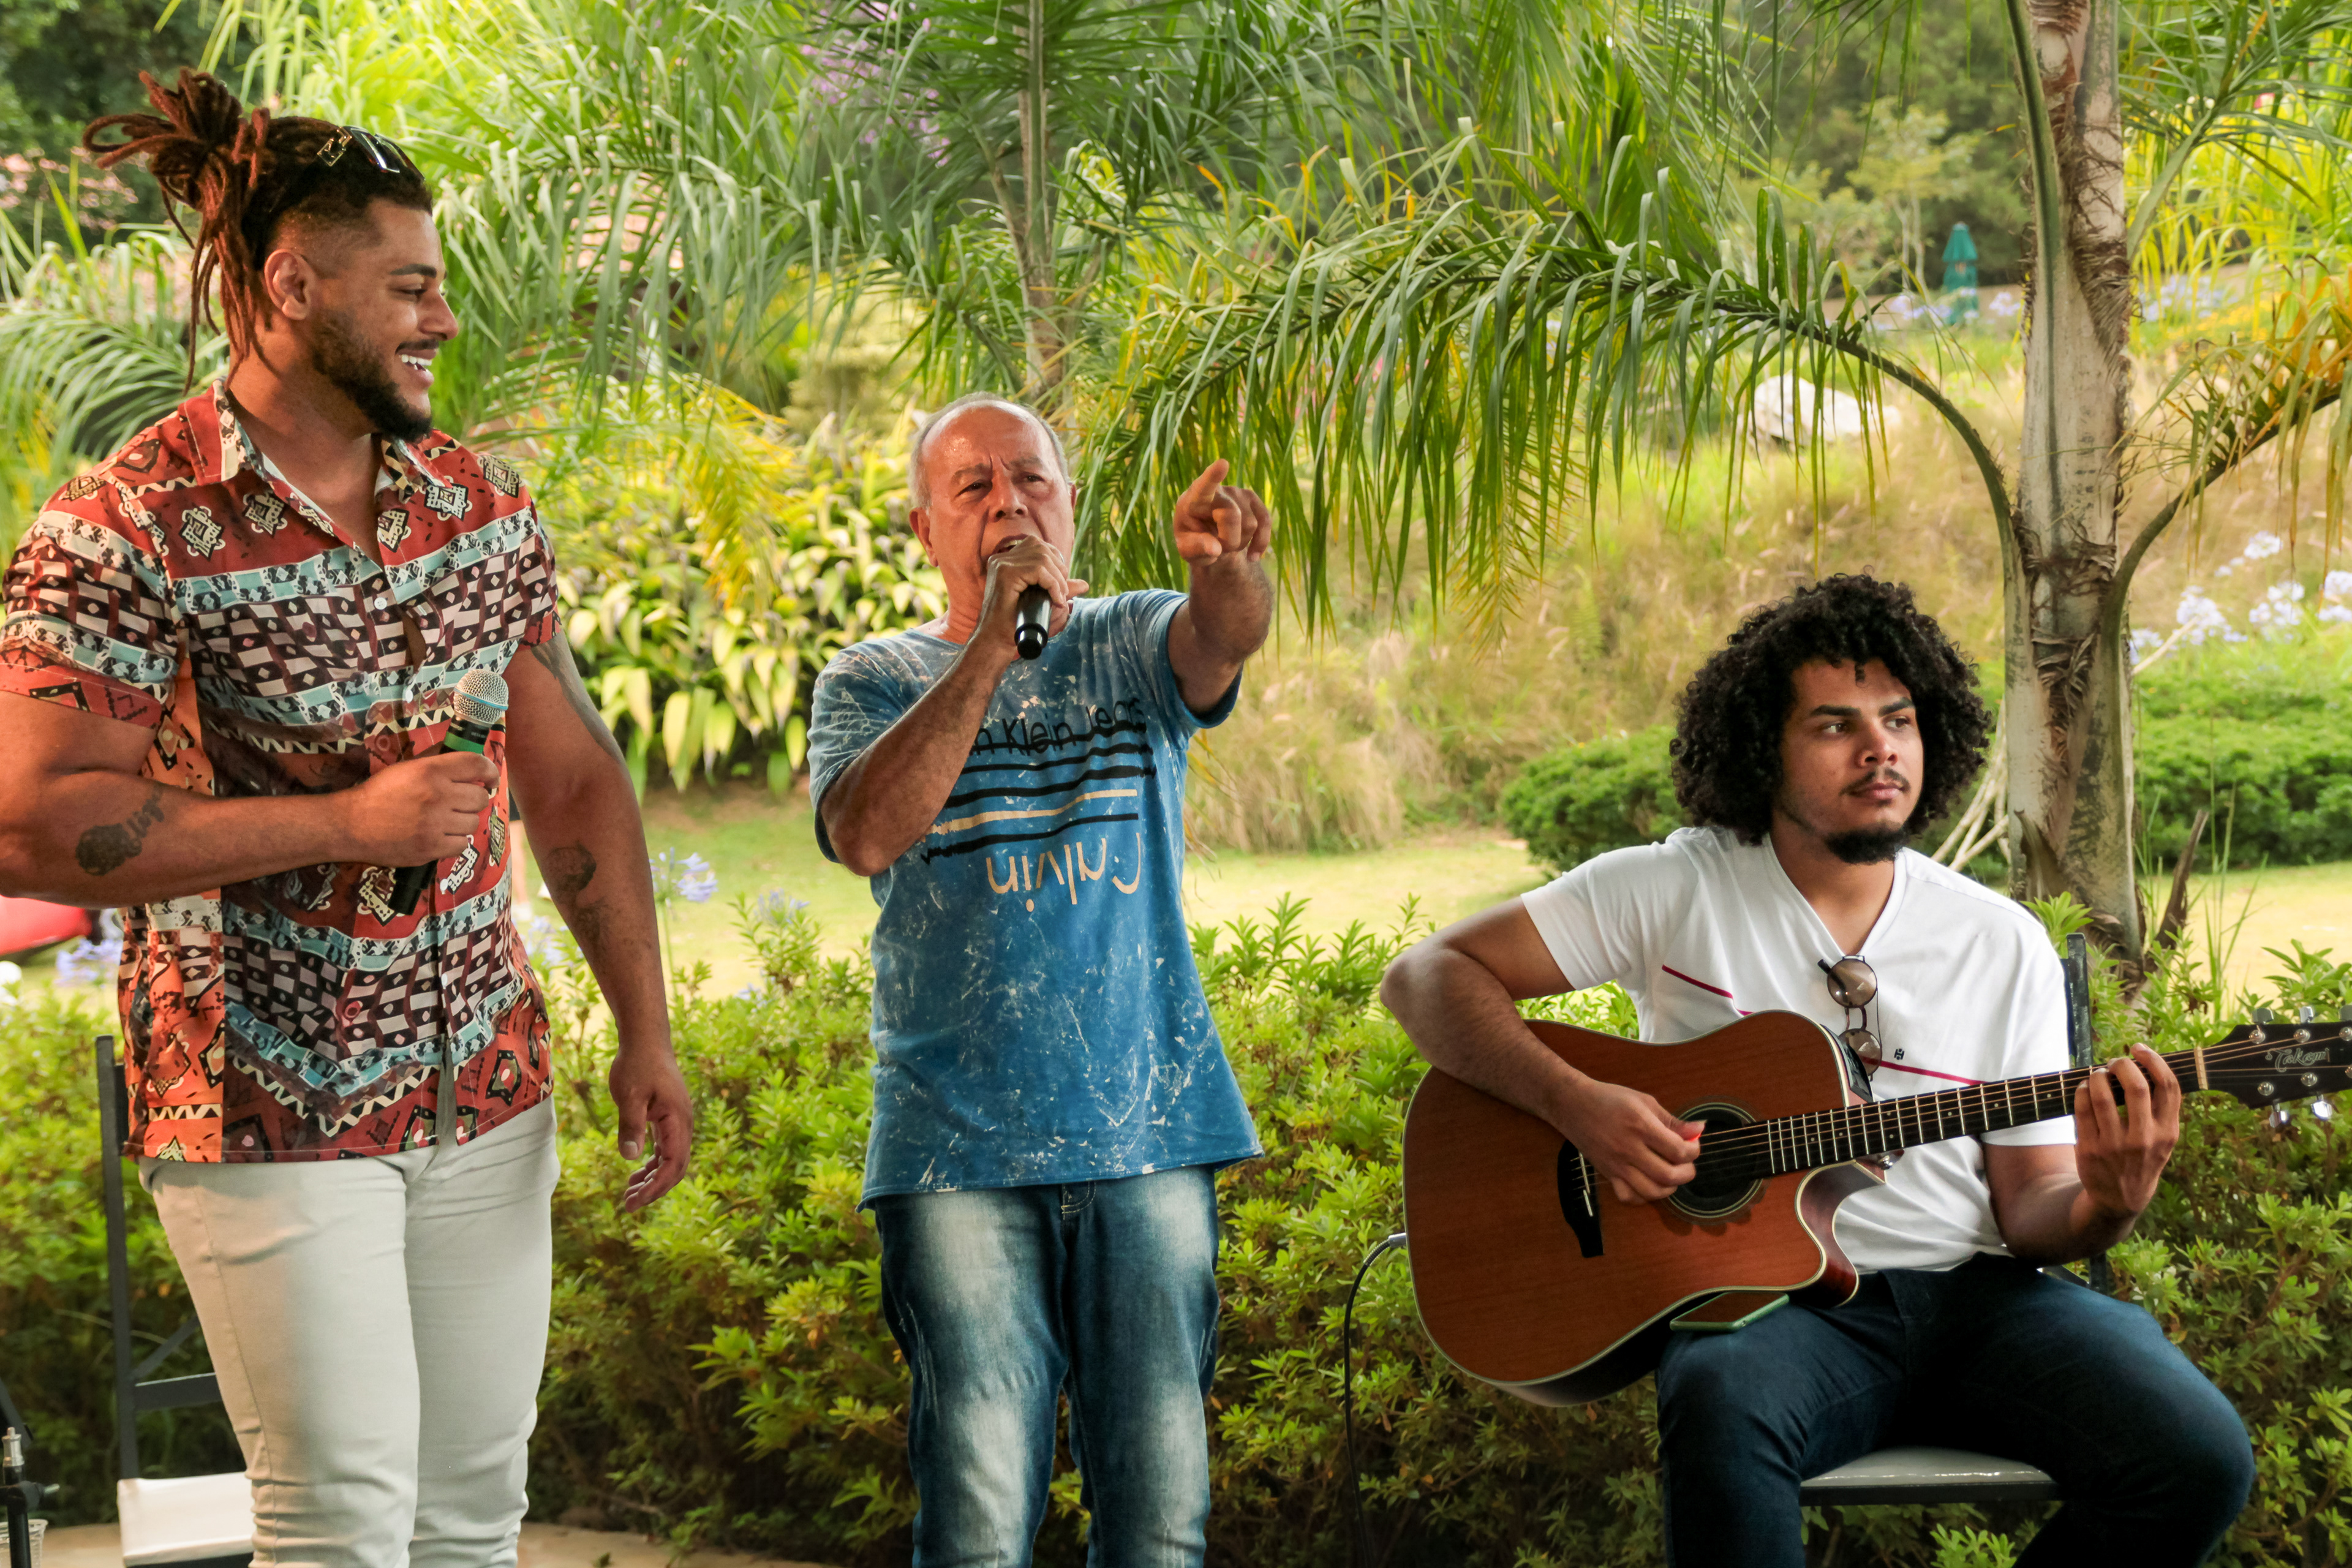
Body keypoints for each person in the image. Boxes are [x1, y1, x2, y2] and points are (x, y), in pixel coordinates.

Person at [0, 70, 692, 1568]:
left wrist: (646, 1024)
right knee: (343, 1524)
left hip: (487, 1089)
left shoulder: (480, 505)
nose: (441, 320)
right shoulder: (120, 526)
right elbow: (37, 827)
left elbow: (569, 780)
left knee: (469, 1520)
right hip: (265, 1097)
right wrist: (344, 823)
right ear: (291, 282)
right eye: (412, 287)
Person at [1379, 575, 2253, 1566]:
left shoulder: (1998, 940)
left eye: (1900, 719)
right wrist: (1578, 1107)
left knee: (2197, 1457)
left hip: (1983, 1303)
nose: (1881, 749)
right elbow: (1427, 978)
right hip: (1780, 1316)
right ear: (1764, 746)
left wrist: (2110, 1201)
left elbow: (2032, 1212)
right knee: (1719, 1398)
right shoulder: (1678, 887)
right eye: (1836, 725)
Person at [806, 393, 1272, 1565]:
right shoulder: (869, 678)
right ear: (926, 528)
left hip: (1148, 1135)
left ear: (1070, 505)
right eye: (976, 488)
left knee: (1161, 1519)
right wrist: (988, 649)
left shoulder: (1129, 638)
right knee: (976, 1518)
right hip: (954, 1152)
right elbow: (866, 835)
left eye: (1033, 481)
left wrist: (1230, 573)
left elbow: (1223, 640)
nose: (1011, 503)